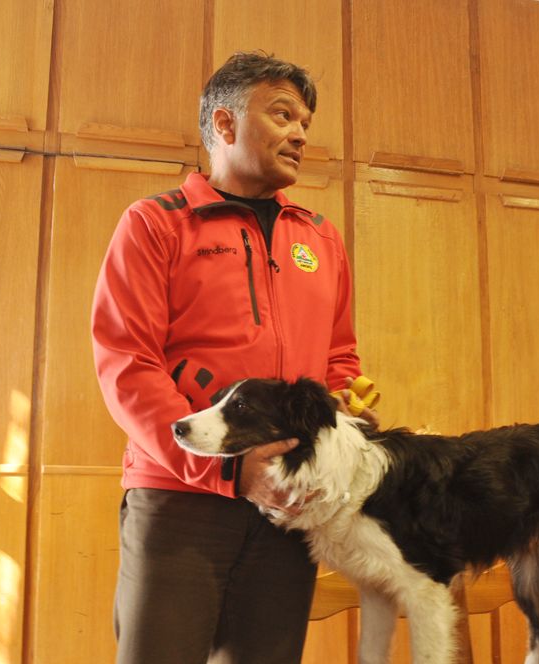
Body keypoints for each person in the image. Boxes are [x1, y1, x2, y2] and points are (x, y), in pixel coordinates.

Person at [92, 51, 377, 664]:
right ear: (224, 123)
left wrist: (345, 413)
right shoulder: (156, 224)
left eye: (305, 122)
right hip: (179, 497)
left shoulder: (320, 236)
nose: (300, 133)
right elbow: (127, 363)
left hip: (287, 502)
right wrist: (227, 471)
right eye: (283, 115)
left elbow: (339, 359)